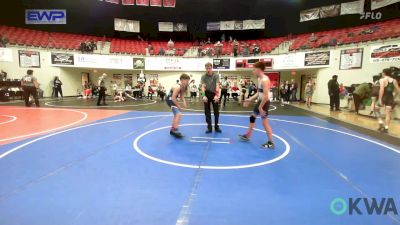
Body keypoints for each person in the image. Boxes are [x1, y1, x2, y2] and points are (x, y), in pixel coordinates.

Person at [239, 62, 274, 149]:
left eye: (254, 69)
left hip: (265, 102)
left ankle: (270, 142)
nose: (252, 71)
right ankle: (248, 135)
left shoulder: (265, 80)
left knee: (264, 122)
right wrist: (250, 99)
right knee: (252, 117)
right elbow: (259, 92)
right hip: (261, 101)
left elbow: (266, 96)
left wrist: (260, 107)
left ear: (259, 69)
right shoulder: (259, 79)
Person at [166, 74, 190, 138]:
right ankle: (174, 130)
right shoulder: (177, 87)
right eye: (187, 81)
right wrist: (178, 105)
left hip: (172, 99)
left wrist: (184, 102)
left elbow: (182, 95)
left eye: (188, 81)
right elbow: (173, 98)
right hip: (170, 99)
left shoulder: (183, 86)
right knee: (178, 114)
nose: (187, 83)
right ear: (182, 80)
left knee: (177, 115)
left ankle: (172, 129)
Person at [201, 62, 221, 133]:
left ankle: (216, 126)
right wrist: (203, 95)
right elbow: (203, 86)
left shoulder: (216, 75)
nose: (208, 70)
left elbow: (217, 85)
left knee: (216, 112)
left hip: (214, 94)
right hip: (206, 94)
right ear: (205, 68)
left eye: (209, 68)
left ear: (211, 68)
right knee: (207, 112)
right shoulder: (203, 76)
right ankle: (209, 127)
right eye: (207, 68)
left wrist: (216, 95)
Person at [378, 68, 400, 133]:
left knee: (376, 109)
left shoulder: (382, 80)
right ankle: (386, 128)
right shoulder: (394, 80)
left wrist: (379, 99)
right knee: (388, 114)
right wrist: (395, 95)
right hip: (390, 98)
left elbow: (381, 89)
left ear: (384, 73)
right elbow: (398, 90)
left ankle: (381, 123)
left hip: (384, 97)